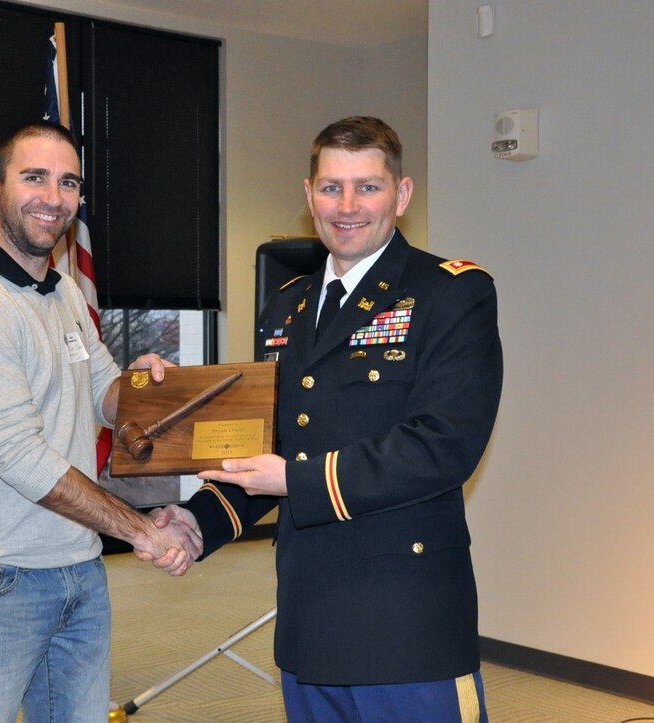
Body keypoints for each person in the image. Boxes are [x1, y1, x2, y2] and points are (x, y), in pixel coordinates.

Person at [153, 116, 503, 721]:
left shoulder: (450, 293)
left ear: (403, 194)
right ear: (308, 194)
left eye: (367, 186)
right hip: (310, 616)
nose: (347, 206)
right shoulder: (286, 305)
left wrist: (297, 481)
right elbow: (277, 442)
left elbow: (444, 446)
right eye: (331, 187)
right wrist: (196, 520)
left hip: (406, 622)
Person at [0, 120, 200, 723]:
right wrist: (143, 531)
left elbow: (102, 390)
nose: (53, 197)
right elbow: (23, 460)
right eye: (34, 177)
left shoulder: (64, 291)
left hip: (76, 569)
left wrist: (144, 391)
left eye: (67, 182)